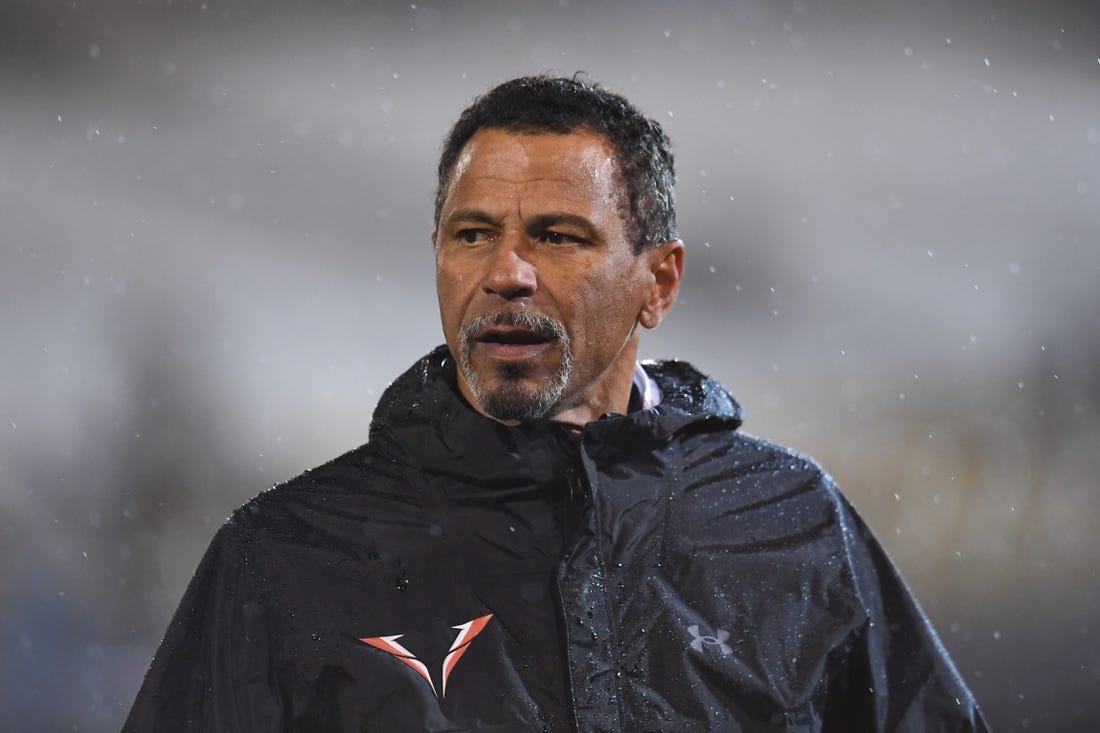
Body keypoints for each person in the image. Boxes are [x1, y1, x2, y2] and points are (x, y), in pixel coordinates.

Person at [126, 75, 988, 732]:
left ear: (660, 280)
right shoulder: (286, 557)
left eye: (556, 235)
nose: (506, 272)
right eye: (474, 235)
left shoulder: (791, 523)